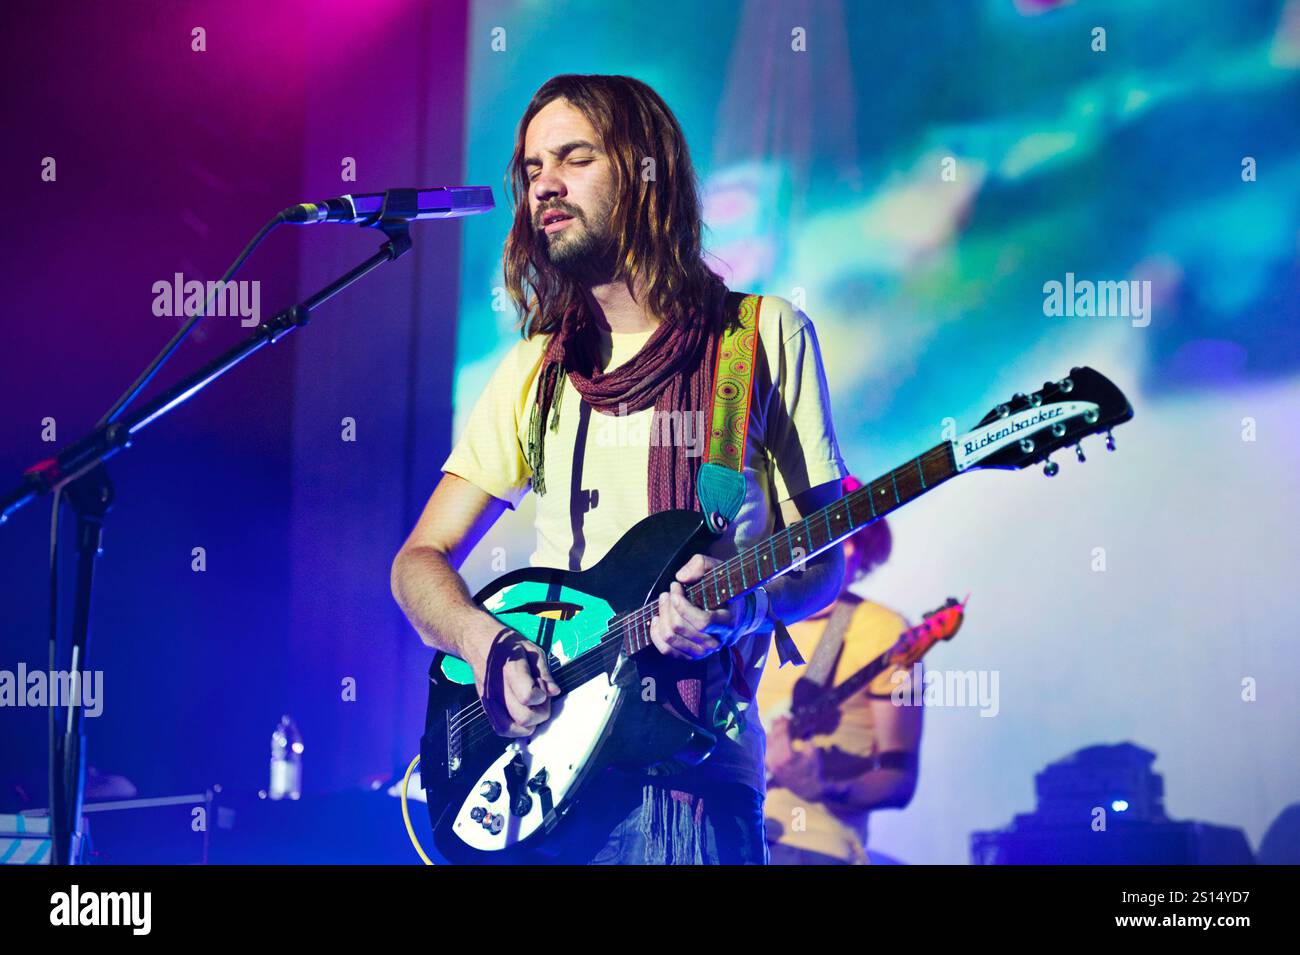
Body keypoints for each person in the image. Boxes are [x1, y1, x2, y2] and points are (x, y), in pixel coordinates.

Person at [391, 74, 848, 864]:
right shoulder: (538, 369)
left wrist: (740, 611)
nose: (546, 187)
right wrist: (487, 645)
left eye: (574, 159)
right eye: (533, 170)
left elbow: (823, 560)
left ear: (645, 171)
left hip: (686, 784)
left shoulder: (761, 337)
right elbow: (416, 562)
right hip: (543, 778)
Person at [758, 489, 922, 865]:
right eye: (827, 534)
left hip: (814, 847)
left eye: (853, 537)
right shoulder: (754, 619)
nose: (843, 549)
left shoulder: (886, 631)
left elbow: (899, 781)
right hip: (721, 831)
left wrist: (826, 786)